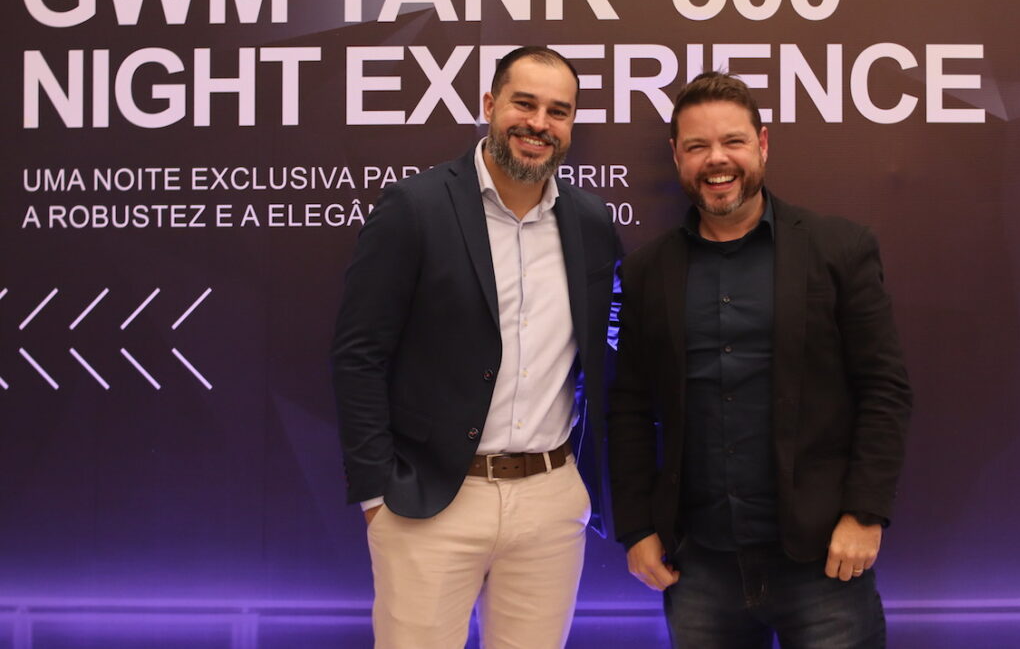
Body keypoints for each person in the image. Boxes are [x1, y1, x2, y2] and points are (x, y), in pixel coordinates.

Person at [608, 72, 912, 648]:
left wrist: (865, 513)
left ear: (763, 144)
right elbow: (628, 409)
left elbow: (884, 389)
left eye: (733, 141)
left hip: (824, 560)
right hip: (697, 566)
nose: (716, 160)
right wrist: (637, 528)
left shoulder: (838, 249)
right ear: (676, 155)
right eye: (697, 146)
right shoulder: (648, 271)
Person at [332, 46, 621, 649]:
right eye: (524, 104)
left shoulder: (591, 222)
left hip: (550, 501)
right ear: (490, 104)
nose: (539, 124)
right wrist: (376, 494)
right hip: (431, 500)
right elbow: (359, 354)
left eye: (558, 111)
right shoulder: (416, 207)